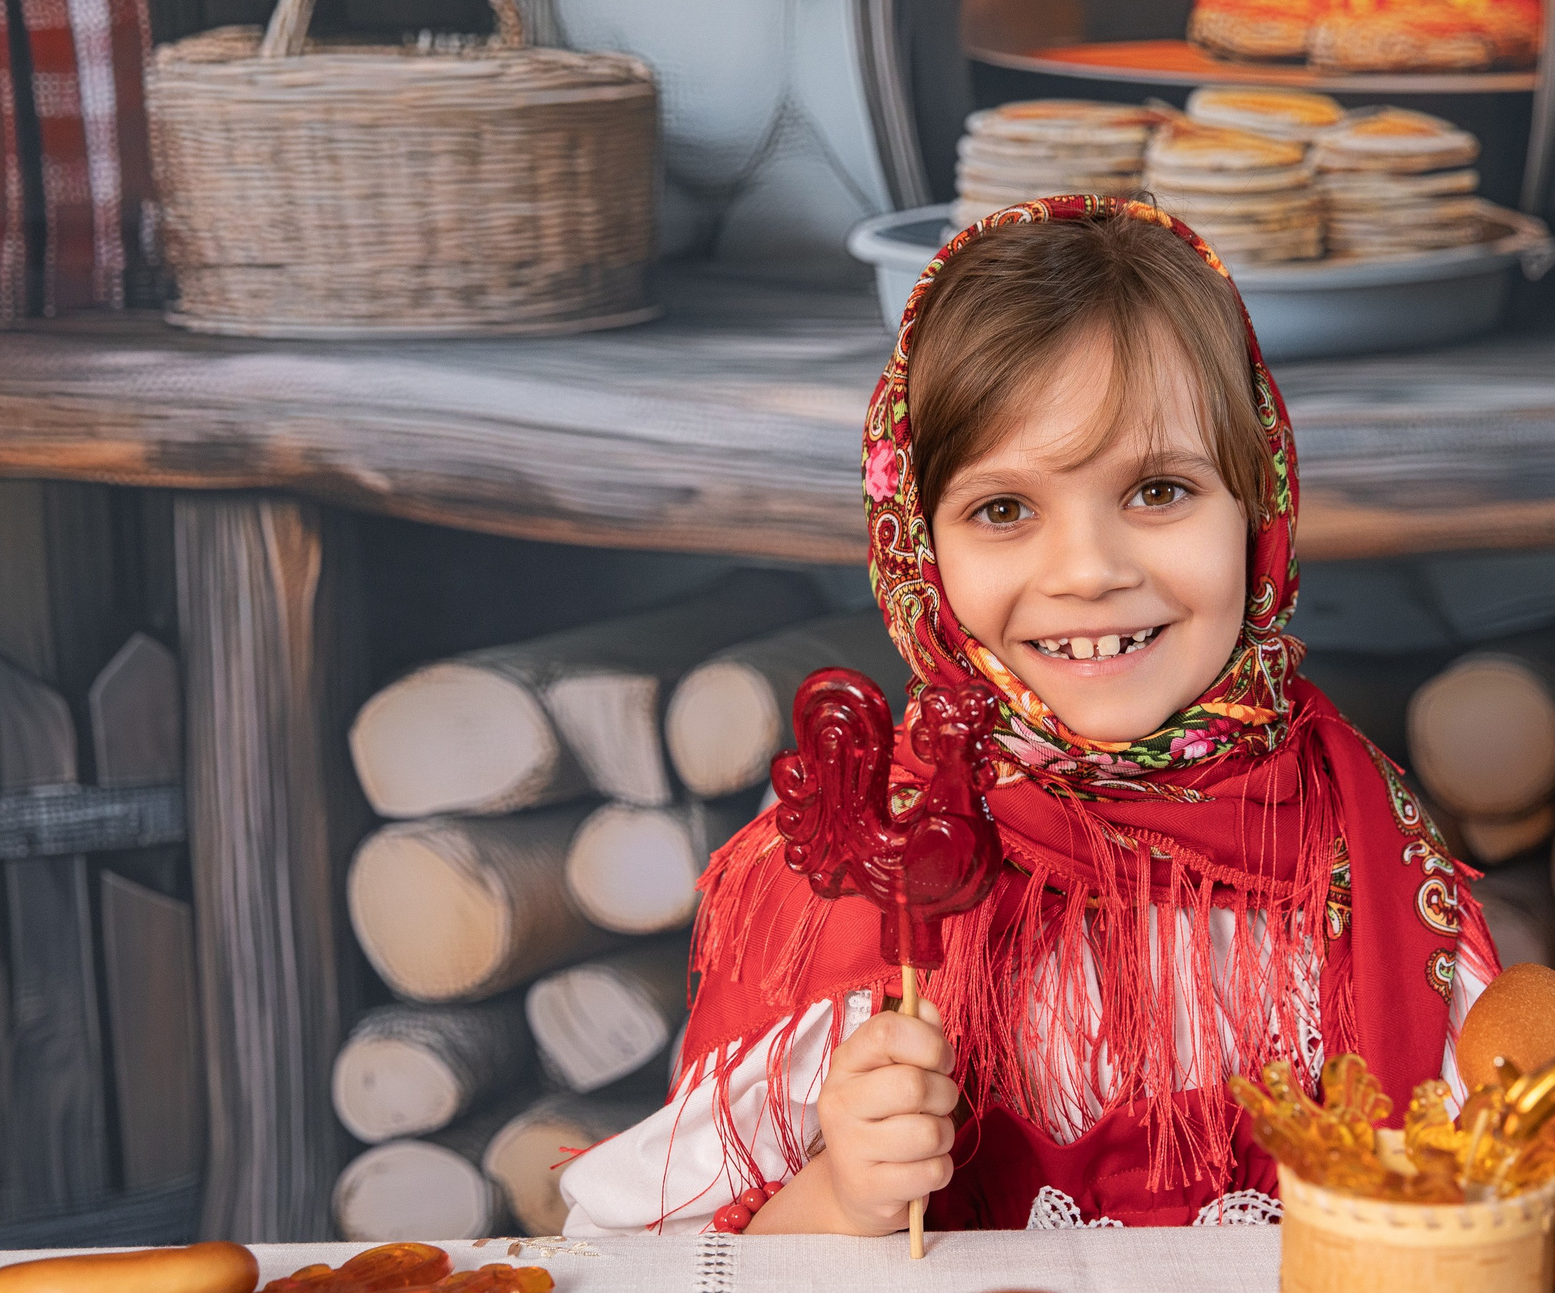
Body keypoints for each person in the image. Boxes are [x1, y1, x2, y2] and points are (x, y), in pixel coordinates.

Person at [560, 197, 1496, 1238]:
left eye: (1158, 490)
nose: (1088, 572)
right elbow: (662, 1276)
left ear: (1258, 506)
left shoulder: (1358, 846)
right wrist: (841, 1197)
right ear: (917, 545)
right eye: (1003, 509)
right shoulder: (858, 876)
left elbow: (1487, 1208)